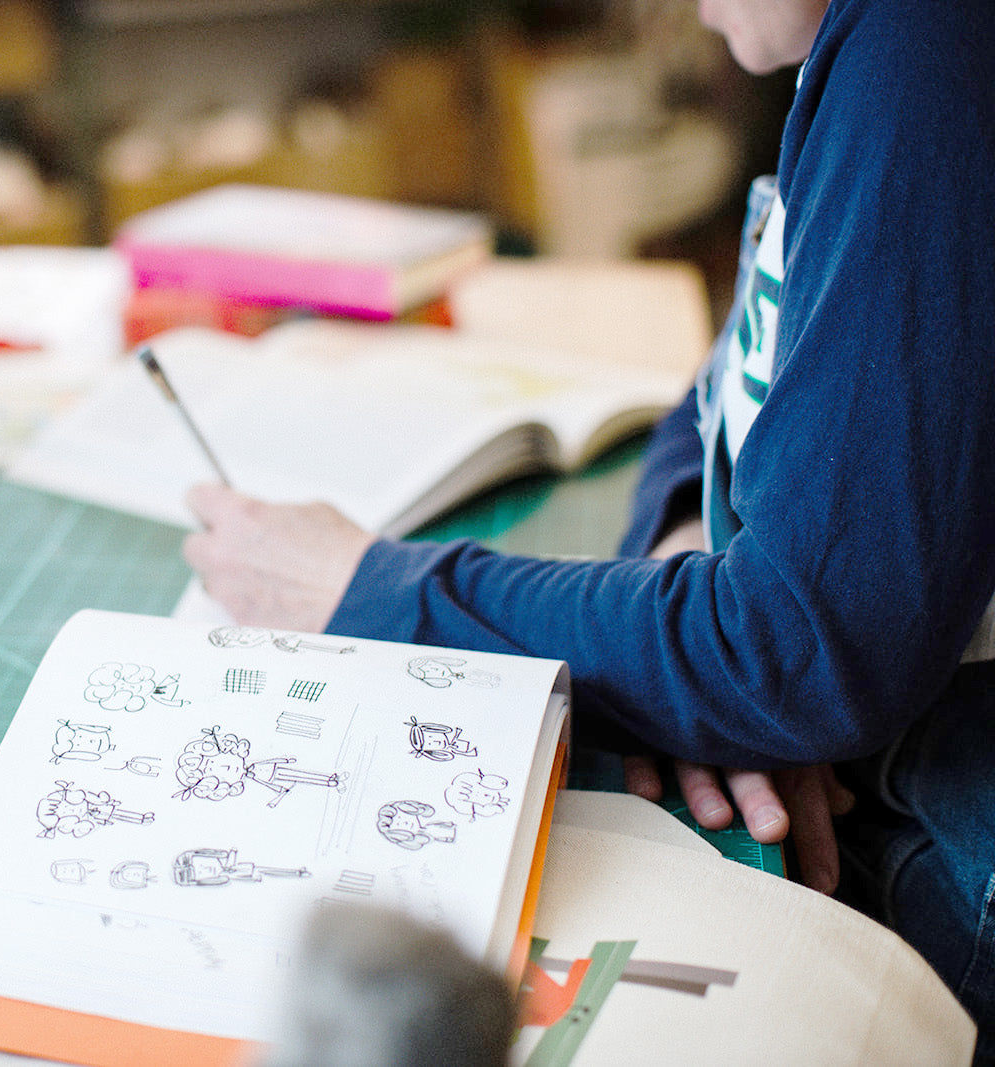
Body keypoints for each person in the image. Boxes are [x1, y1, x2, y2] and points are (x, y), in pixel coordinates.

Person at [180, 0, 995, 1055]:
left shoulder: (928, 49)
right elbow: (732, 391)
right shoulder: (858, 50)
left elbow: (801, 645)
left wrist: (368, 592)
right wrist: (689, 584)